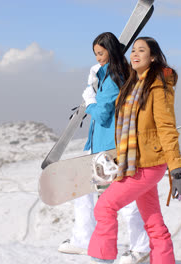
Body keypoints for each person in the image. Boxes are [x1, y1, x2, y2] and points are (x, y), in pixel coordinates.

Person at [87, 36, 181, 264]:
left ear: (152, 57)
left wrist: (178, 171)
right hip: (133, 162)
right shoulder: (132, 85)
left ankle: (101, 260)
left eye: (141, 51)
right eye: (133, 50)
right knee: (153, 222)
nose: (134, 54)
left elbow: (166, 128)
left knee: (104, 207)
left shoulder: (158, 87)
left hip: (147, 164)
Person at [58, 32, 151, 264]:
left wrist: (90, 99)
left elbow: (102, 113)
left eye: (101, 53)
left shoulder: (113, 77)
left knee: (124, 198)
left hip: (110, 148)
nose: (98, 58)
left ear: (111, 51)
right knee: (83, 191)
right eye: (96, 54)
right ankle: (83, 239)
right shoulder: (109, 75)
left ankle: (141, 247)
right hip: (98, 145)